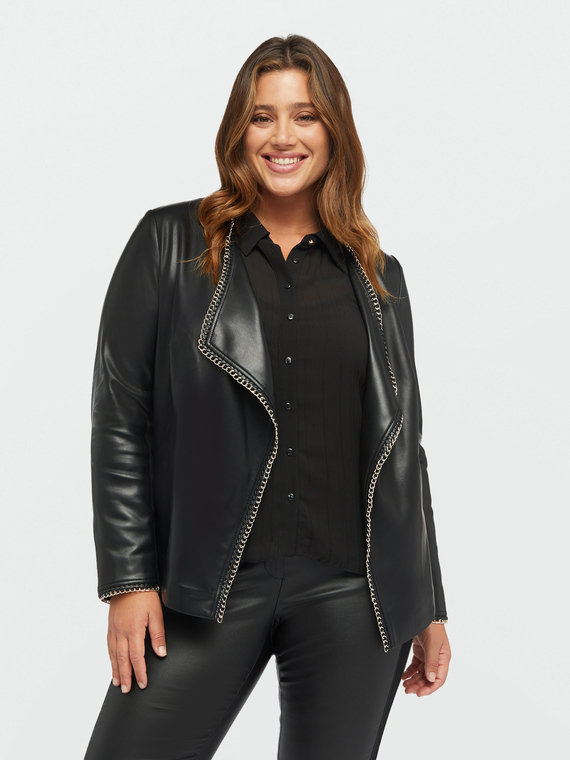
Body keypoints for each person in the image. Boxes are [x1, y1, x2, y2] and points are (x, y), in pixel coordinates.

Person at [84, 34, 451, 760]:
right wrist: (128, 580)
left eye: (305, 116)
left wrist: (427, 602)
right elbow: (121, 416)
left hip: (355, 596)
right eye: (262, 117)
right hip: (206, 588)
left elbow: (402, 449)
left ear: (334, 132)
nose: (283, 136)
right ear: (238, 131)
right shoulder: (169, 245)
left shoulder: (379, 277)